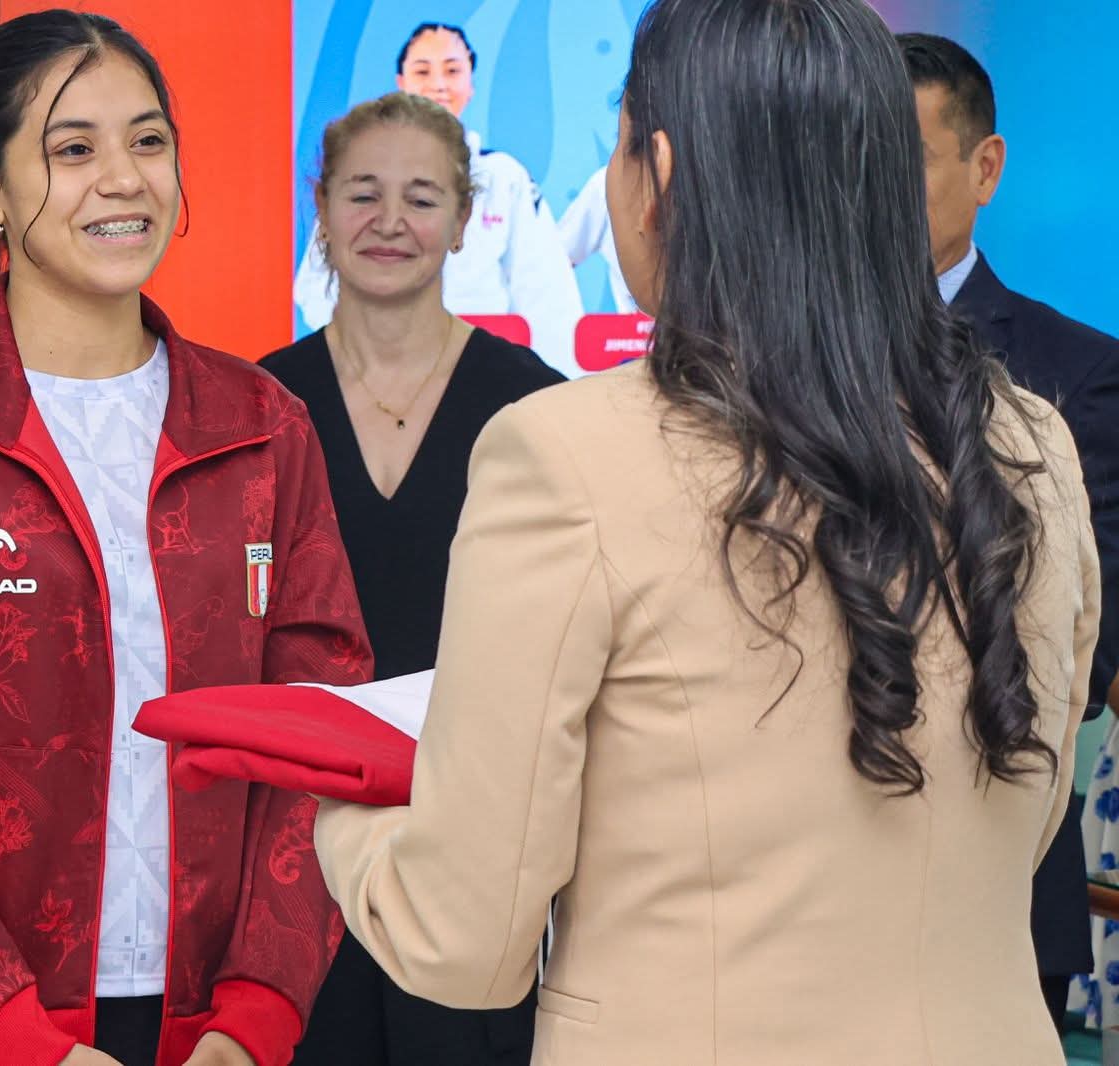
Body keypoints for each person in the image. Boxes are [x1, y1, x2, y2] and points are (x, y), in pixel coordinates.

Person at [312, 1, 1099, 1062]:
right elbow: (1023, 807)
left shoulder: (565, 453)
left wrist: (334, 809)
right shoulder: (1030, 442)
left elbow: (464, 935)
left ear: (663, 171)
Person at [0, 11, 372, 1066]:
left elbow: (319, 737)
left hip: (203, 1025)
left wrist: (256, 1014)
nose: (124, 178)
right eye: (73, 150)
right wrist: (15, 1040)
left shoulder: (260, 425)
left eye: (148, 141)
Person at [262, 91, 562, 1066]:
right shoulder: (256, 406)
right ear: (321, 205)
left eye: (422, 197)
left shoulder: (534, 409)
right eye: (363, 193)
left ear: (467, 219)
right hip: (290, 847)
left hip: (474, 846)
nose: (390, 222)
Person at [896, 32, 1119, 1031]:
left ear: (984, 167)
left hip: (996, 878)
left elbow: (1086, 642)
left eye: (902, 159)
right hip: (784, 908)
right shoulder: (753, 368)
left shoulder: (1073, 369)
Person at [292, 22, 584, 377]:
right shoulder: (357, 172)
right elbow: (315, 286)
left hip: (485, 370)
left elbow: (546, 293)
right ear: (401, 81)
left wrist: (550, 386)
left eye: (452, 70)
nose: (439, 84)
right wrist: (366, 352)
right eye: (423, 70)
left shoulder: (504, 177)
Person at [556, 167, 636, 313]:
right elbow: (559, 256)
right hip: (630, 330)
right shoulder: (609, 183)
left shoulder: (689, 178)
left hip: (687, 326)